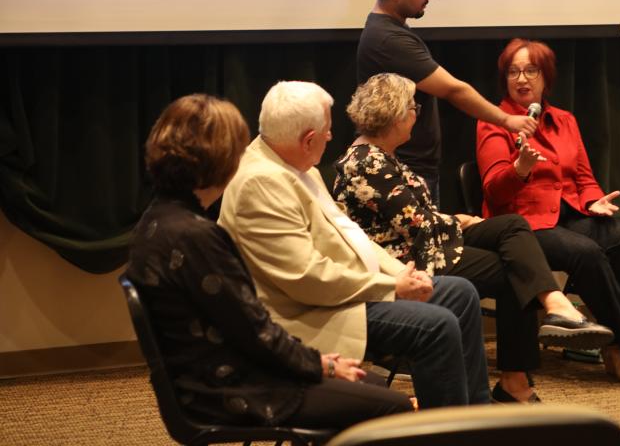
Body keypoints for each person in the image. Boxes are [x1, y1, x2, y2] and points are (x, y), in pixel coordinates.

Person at [125, 94, 412, 430]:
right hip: (231, 391)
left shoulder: (156, 220)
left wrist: (318, 362)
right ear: (224, 160)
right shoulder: (196, 237)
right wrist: (323, 366)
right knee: (396, 408)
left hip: (202, 382)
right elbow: (255, 334)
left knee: (370, 387)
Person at [333, 73, 615, 403]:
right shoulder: (366, 162)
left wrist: (455, 222)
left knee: (512, 227)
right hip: (410, 259)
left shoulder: (381, 156)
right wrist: (460, 222)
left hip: (427, 241)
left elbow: (417, 218)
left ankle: (554, 311)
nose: (416, 114)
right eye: (413, 107)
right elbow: (418, 225)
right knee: (515, 271)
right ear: (395, 115)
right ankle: (516, 380)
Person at [218, 81, 490, 408]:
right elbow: (306, 278)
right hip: (309, 311)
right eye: (327, 131)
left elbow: (350, 234)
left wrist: (403, 275)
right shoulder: (259, 183)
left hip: (347, 289)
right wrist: (390, 287)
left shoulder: (294, 163)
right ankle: (444, 435)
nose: (331, 137)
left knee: (460, 293)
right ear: (307, 140)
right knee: (436, 325)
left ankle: (476, 419)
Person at [475, 39, 620, 384]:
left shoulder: (564, 120)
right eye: (513, 72)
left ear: (545, 78)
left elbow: (583, 177)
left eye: (531, 71)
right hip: (523, 225)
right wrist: (519, 168)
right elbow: (493, 190)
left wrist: (594, 200)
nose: (522, 79)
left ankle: (612, 348)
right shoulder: (494, 122)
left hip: (569, 213)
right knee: (587, 253)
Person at [356, 0, 537, 200]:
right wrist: (507, 121)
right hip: (406, 167)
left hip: (411, 165)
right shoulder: (389, 39)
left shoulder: (388, 31)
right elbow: (453, 89)